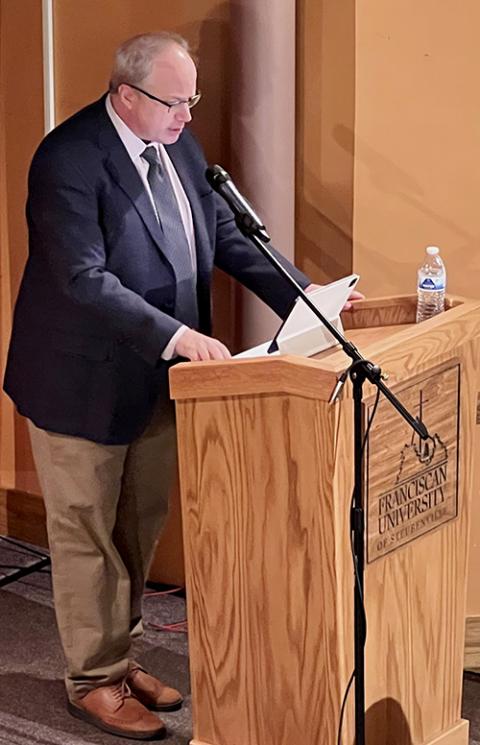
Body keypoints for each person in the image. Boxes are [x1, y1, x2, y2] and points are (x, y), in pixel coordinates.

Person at [3, 32, 361, 740]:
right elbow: (83, 278)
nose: (188, 115)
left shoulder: (178, 146)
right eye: (176, 101)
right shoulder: (68, 161)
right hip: (80, 382)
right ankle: (91, 680)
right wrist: (175, 335)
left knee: (137, 527)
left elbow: (227, 236)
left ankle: (118, 655)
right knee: (87, 537)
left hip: (160, 383)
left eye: (191, 99)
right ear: (126, 96)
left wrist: (306, 296)